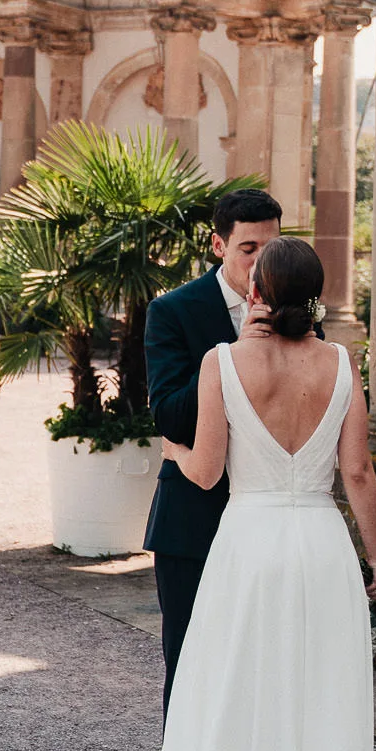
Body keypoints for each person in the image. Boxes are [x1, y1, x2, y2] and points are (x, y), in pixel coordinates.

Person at [118, 236, 376, 751]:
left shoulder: (221, 361)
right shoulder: (341, 362)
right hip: (321, 553)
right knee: (315, 717)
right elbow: (358, 473)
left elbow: (205, 472)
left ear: (259, 292)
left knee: (228, 712)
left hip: (248, 550)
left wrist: (168, 450)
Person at [141, 188, 282, 717]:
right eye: (249, 248)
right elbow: (170, 415)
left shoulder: (298, 312)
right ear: (218, 245)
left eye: (271, 248)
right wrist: (239, 354)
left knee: (261, 667)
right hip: (192, 522)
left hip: (269, 520)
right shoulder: (172, 311)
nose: (261, 262)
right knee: (191, 663)